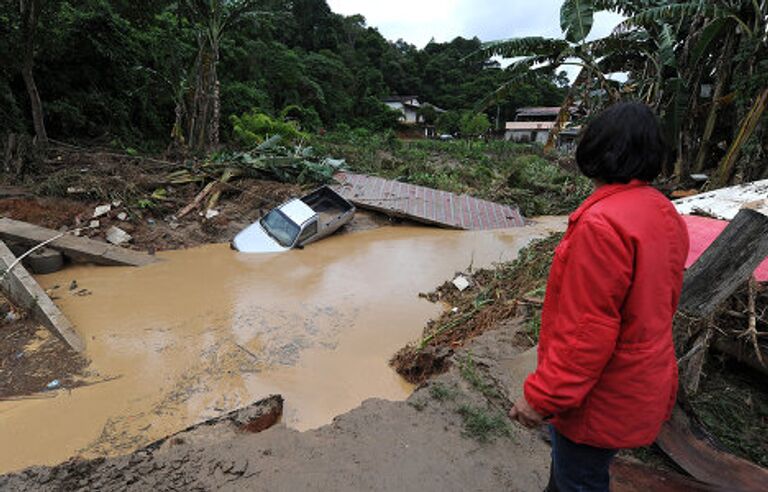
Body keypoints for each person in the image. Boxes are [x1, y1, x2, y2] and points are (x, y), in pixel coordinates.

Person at [508, 102, 690, 492]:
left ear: (594, 151)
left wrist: (541, 398)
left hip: (600, 395)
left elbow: (585, 334)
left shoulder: (600, 224)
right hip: (640, 381)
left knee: (580, 480)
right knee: (576, 474)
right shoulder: (663, 212)